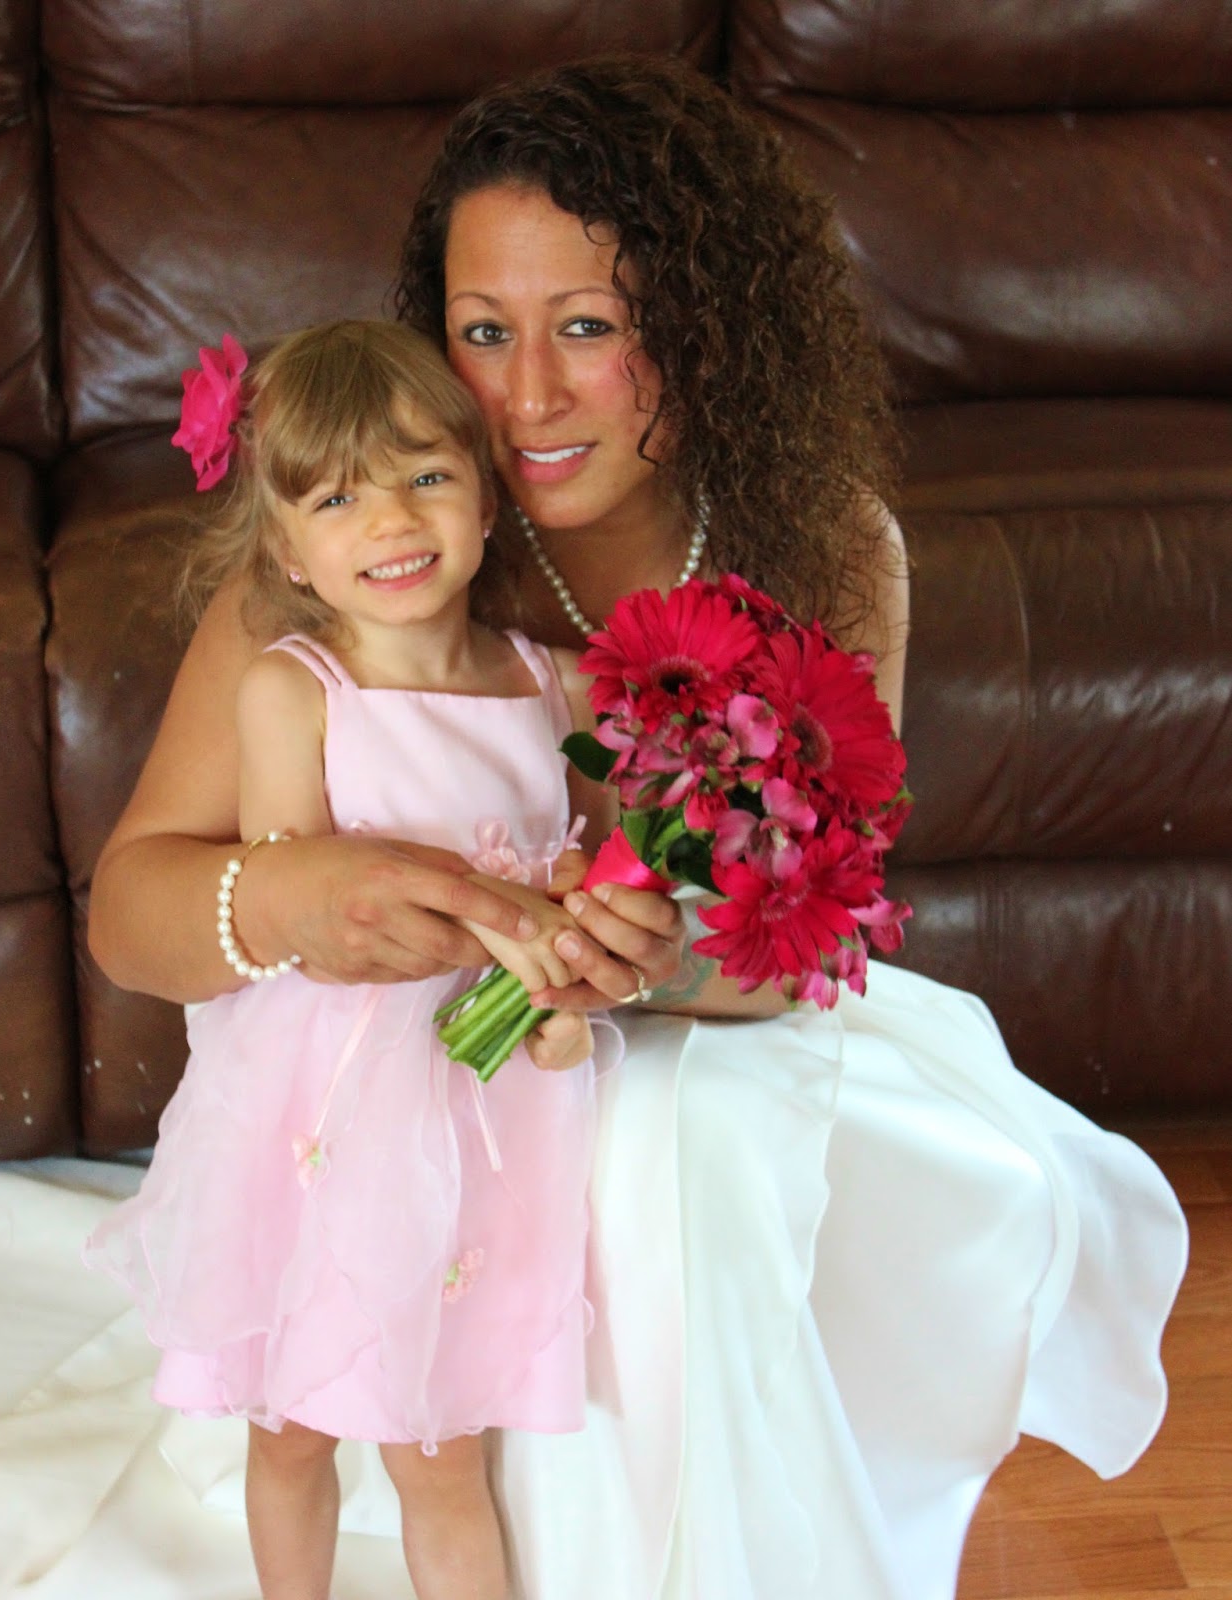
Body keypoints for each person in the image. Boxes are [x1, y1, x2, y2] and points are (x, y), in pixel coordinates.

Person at [88, 56, 1188, 1600]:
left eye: (590, 328)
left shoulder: (821, 549)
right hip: (410, 1084)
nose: (526, 397)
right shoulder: (369, 559)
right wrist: (288, 897)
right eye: (483, 332)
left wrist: (653, 964)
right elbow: (127, 915)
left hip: (715, 1037)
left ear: (706, 326)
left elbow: (804, 926)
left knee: (686, 1137)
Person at [85, 317, 622, 1600]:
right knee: (293, 1427)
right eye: (336, 499)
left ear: (486, 498)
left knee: (444, 1444)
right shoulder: (292, 690)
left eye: (426, 476)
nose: (390, 520)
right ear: (286, 549)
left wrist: (567, 973)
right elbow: (302, 918)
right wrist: (461, 916)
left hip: (483, 1115)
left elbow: (591, 885)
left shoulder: (562, 692)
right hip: (329, 1118)